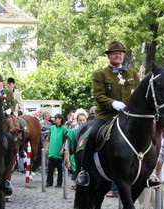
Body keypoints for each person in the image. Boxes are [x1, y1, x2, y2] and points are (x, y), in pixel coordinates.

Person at [76, 41, 141, 187]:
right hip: (107, 116)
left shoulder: (133, 74)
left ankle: (148, 172)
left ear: (123, 55)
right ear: (109, 56)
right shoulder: (100, 74)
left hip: (129, 117)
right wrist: (114, 104)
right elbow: (98, 95)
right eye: (114, 53)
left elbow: (138, 94)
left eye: (120, 53)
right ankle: (84, 170)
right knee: (92, 135)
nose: (118, 55)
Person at [65, 112, 87, 189]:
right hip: (75, 154)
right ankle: (75, 182)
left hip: (86, 154)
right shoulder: (72, 131)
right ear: (77, 121)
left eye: (83, 120)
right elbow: (67, 146)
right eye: (80, 120)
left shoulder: (89, 130)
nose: (82, 122)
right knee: (75, 168)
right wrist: (67, 158)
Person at [46, 113, 68, 188]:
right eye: (54, 118)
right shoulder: (52, 128)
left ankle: (59, 183)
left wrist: (62, 149)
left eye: (56, 118)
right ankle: (49, 182)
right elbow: (49, 138)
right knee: (50, 167)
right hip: (52, 150)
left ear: (60, 119)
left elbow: (65, 140)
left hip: (59, 150)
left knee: (59, 168)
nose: (54, 119)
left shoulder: (64, 128)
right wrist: (47, 147)